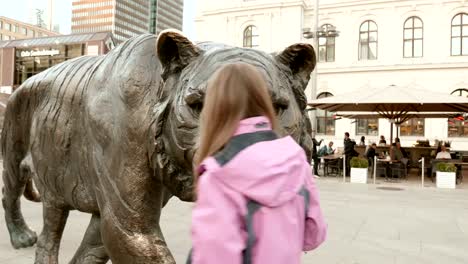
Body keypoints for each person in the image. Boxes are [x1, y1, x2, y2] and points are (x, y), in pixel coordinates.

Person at [189, 63, 327, 264]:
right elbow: (314, 235)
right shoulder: (296, 158)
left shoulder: (219, 176)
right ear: (263, 100)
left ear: (213, 110)